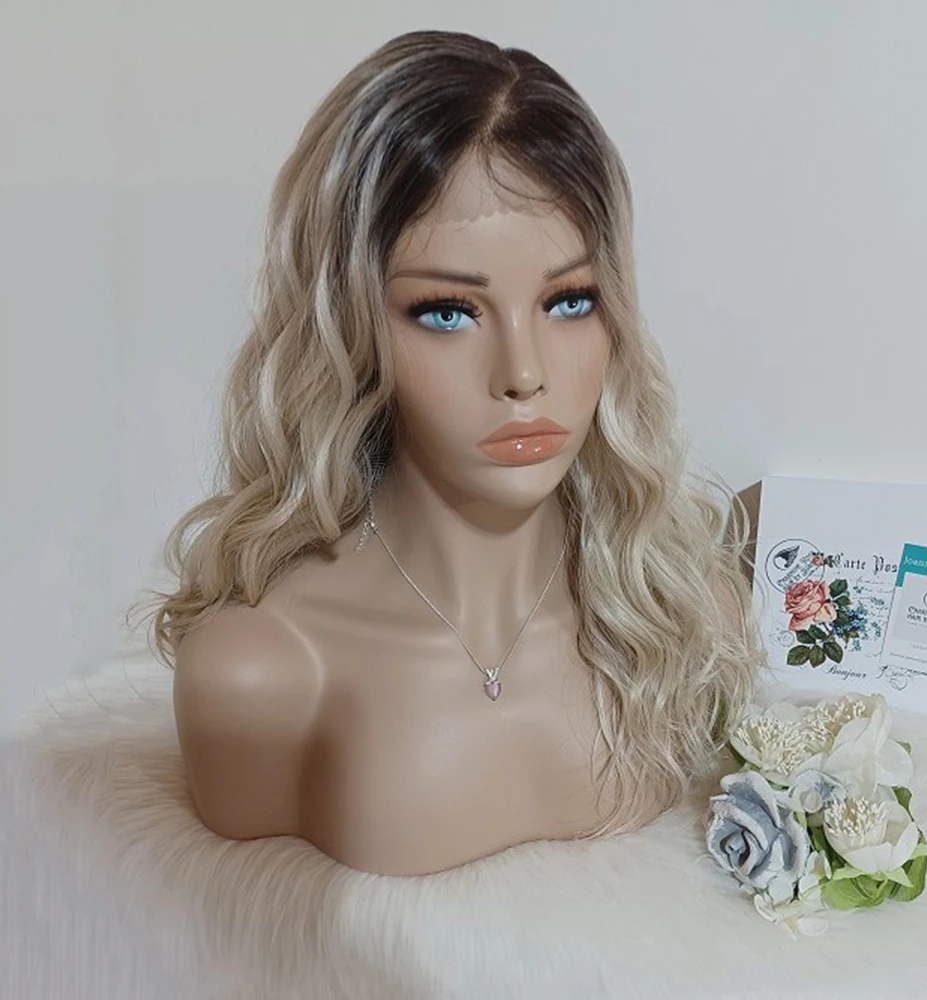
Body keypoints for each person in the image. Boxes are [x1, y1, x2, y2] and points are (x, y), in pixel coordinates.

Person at [128, 28, 765, 877]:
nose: (523, 373)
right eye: (447, 312)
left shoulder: (683, 616)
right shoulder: (259, 674)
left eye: (569, 301)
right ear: (349, 324)